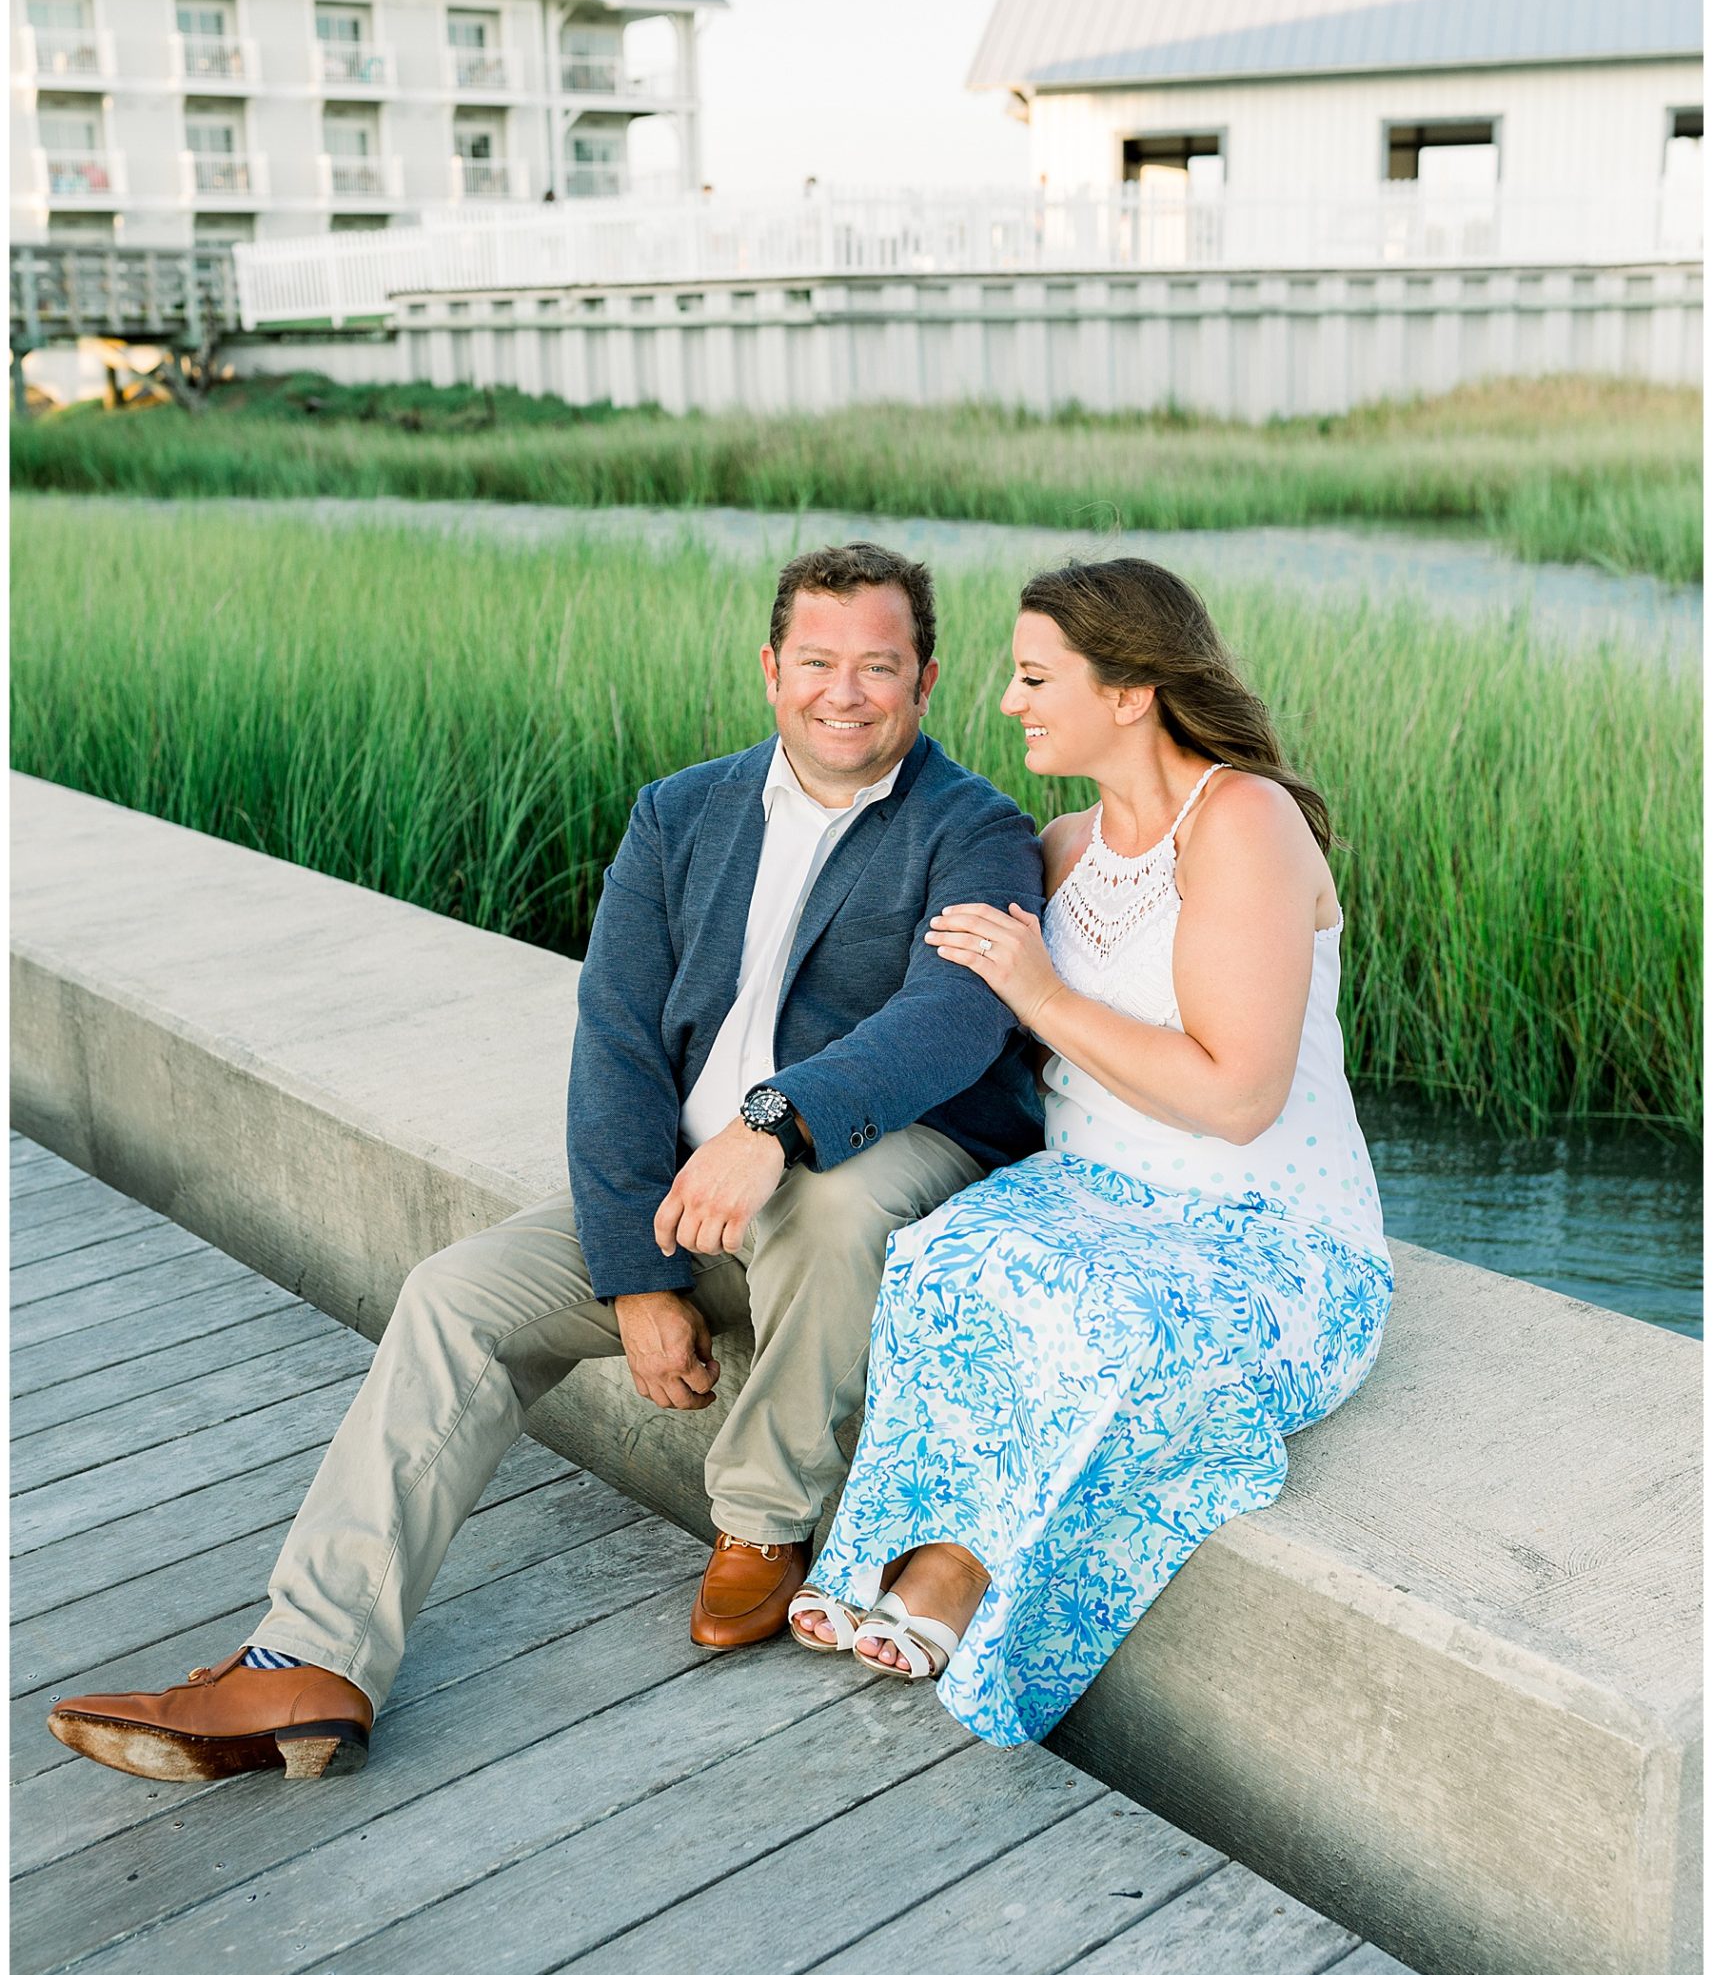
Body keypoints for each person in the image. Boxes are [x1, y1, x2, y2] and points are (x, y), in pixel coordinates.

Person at [47, 542, 1044, 1785]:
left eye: (878, 667)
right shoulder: (681, 813)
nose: (845, 692)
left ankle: (762, 1522)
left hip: (876, 1168)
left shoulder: (976, 831)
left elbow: (950, 1019)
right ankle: (312, 1659)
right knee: (457, 1298)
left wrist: (775, 1123)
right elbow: (617, 1045)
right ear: (770, 668)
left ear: (927, 680)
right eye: (818, 662)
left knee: (828, 1204)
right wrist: (636, 1273)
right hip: (692, 1187)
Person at [788, 557, 1393, 1745]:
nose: (1009, 702)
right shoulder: (1059, 844)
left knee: (1105, 1318)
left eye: (1033, 675)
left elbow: (1237, 1098)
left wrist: (1040, 991)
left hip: (1277, 1241)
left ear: (1129, 692)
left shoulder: (1243, 823)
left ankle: (965, 1588)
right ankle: (892, 1550)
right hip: (1091, 1196)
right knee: (945, 1258)